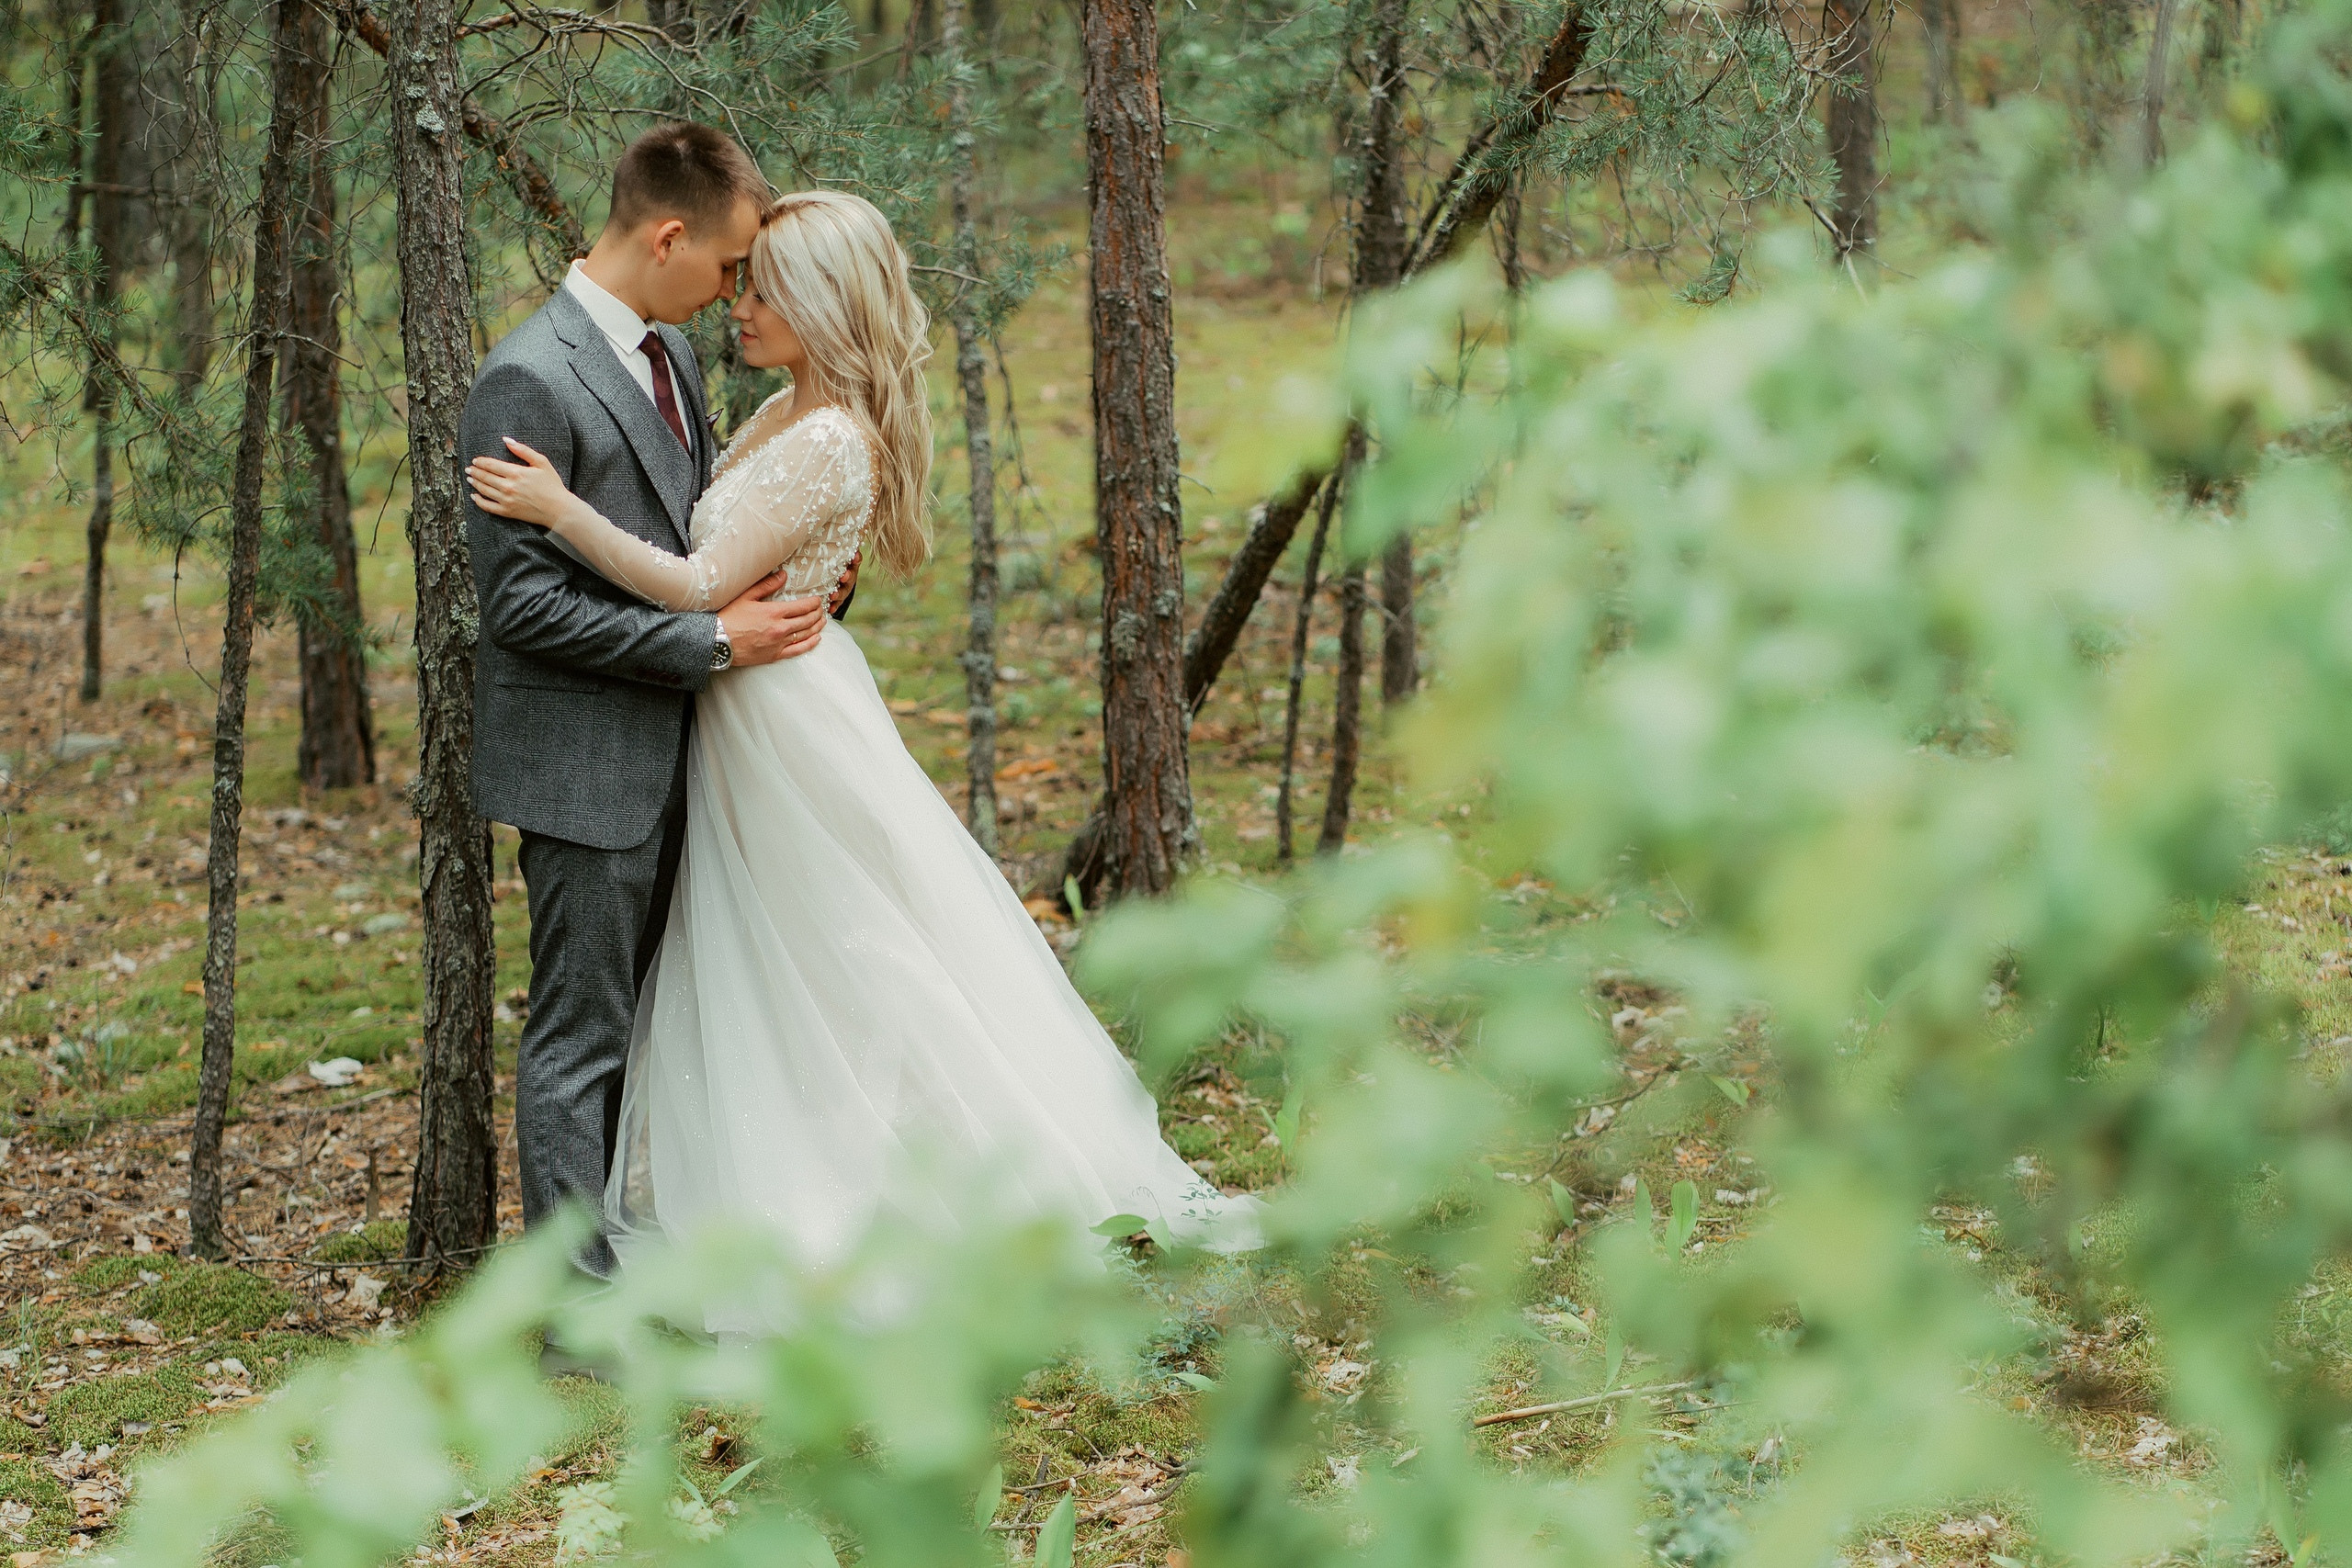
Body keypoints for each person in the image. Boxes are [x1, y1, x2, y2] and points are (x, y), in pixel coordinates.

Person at [466, 189, 1261, 1322]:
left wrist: (559, 511)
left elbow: (696, 584)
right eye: (742, 281)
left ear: (826, 306)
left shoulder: (831, 433)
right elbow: (721, 541)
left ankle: (915, 1191)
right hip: (740, 702)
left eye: (768, 289)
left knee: (841, 951)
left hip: (780, 717)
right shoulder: (784, 408)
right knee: (781, 962)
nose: (739, 305)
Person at [461, 123, 853, 1282]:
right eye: (731, 266)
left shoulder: (673, 357)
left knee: (663, 1024)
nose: (739, 292)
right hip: (587, 765)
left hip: (704, 753)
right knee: (580, 1036)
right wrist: (710, 642)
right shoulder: (527, 378)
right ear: (667, 236)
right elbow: (521, 609)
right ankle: (577, 1315)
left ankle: (650, 1252)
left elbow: (708, 533)